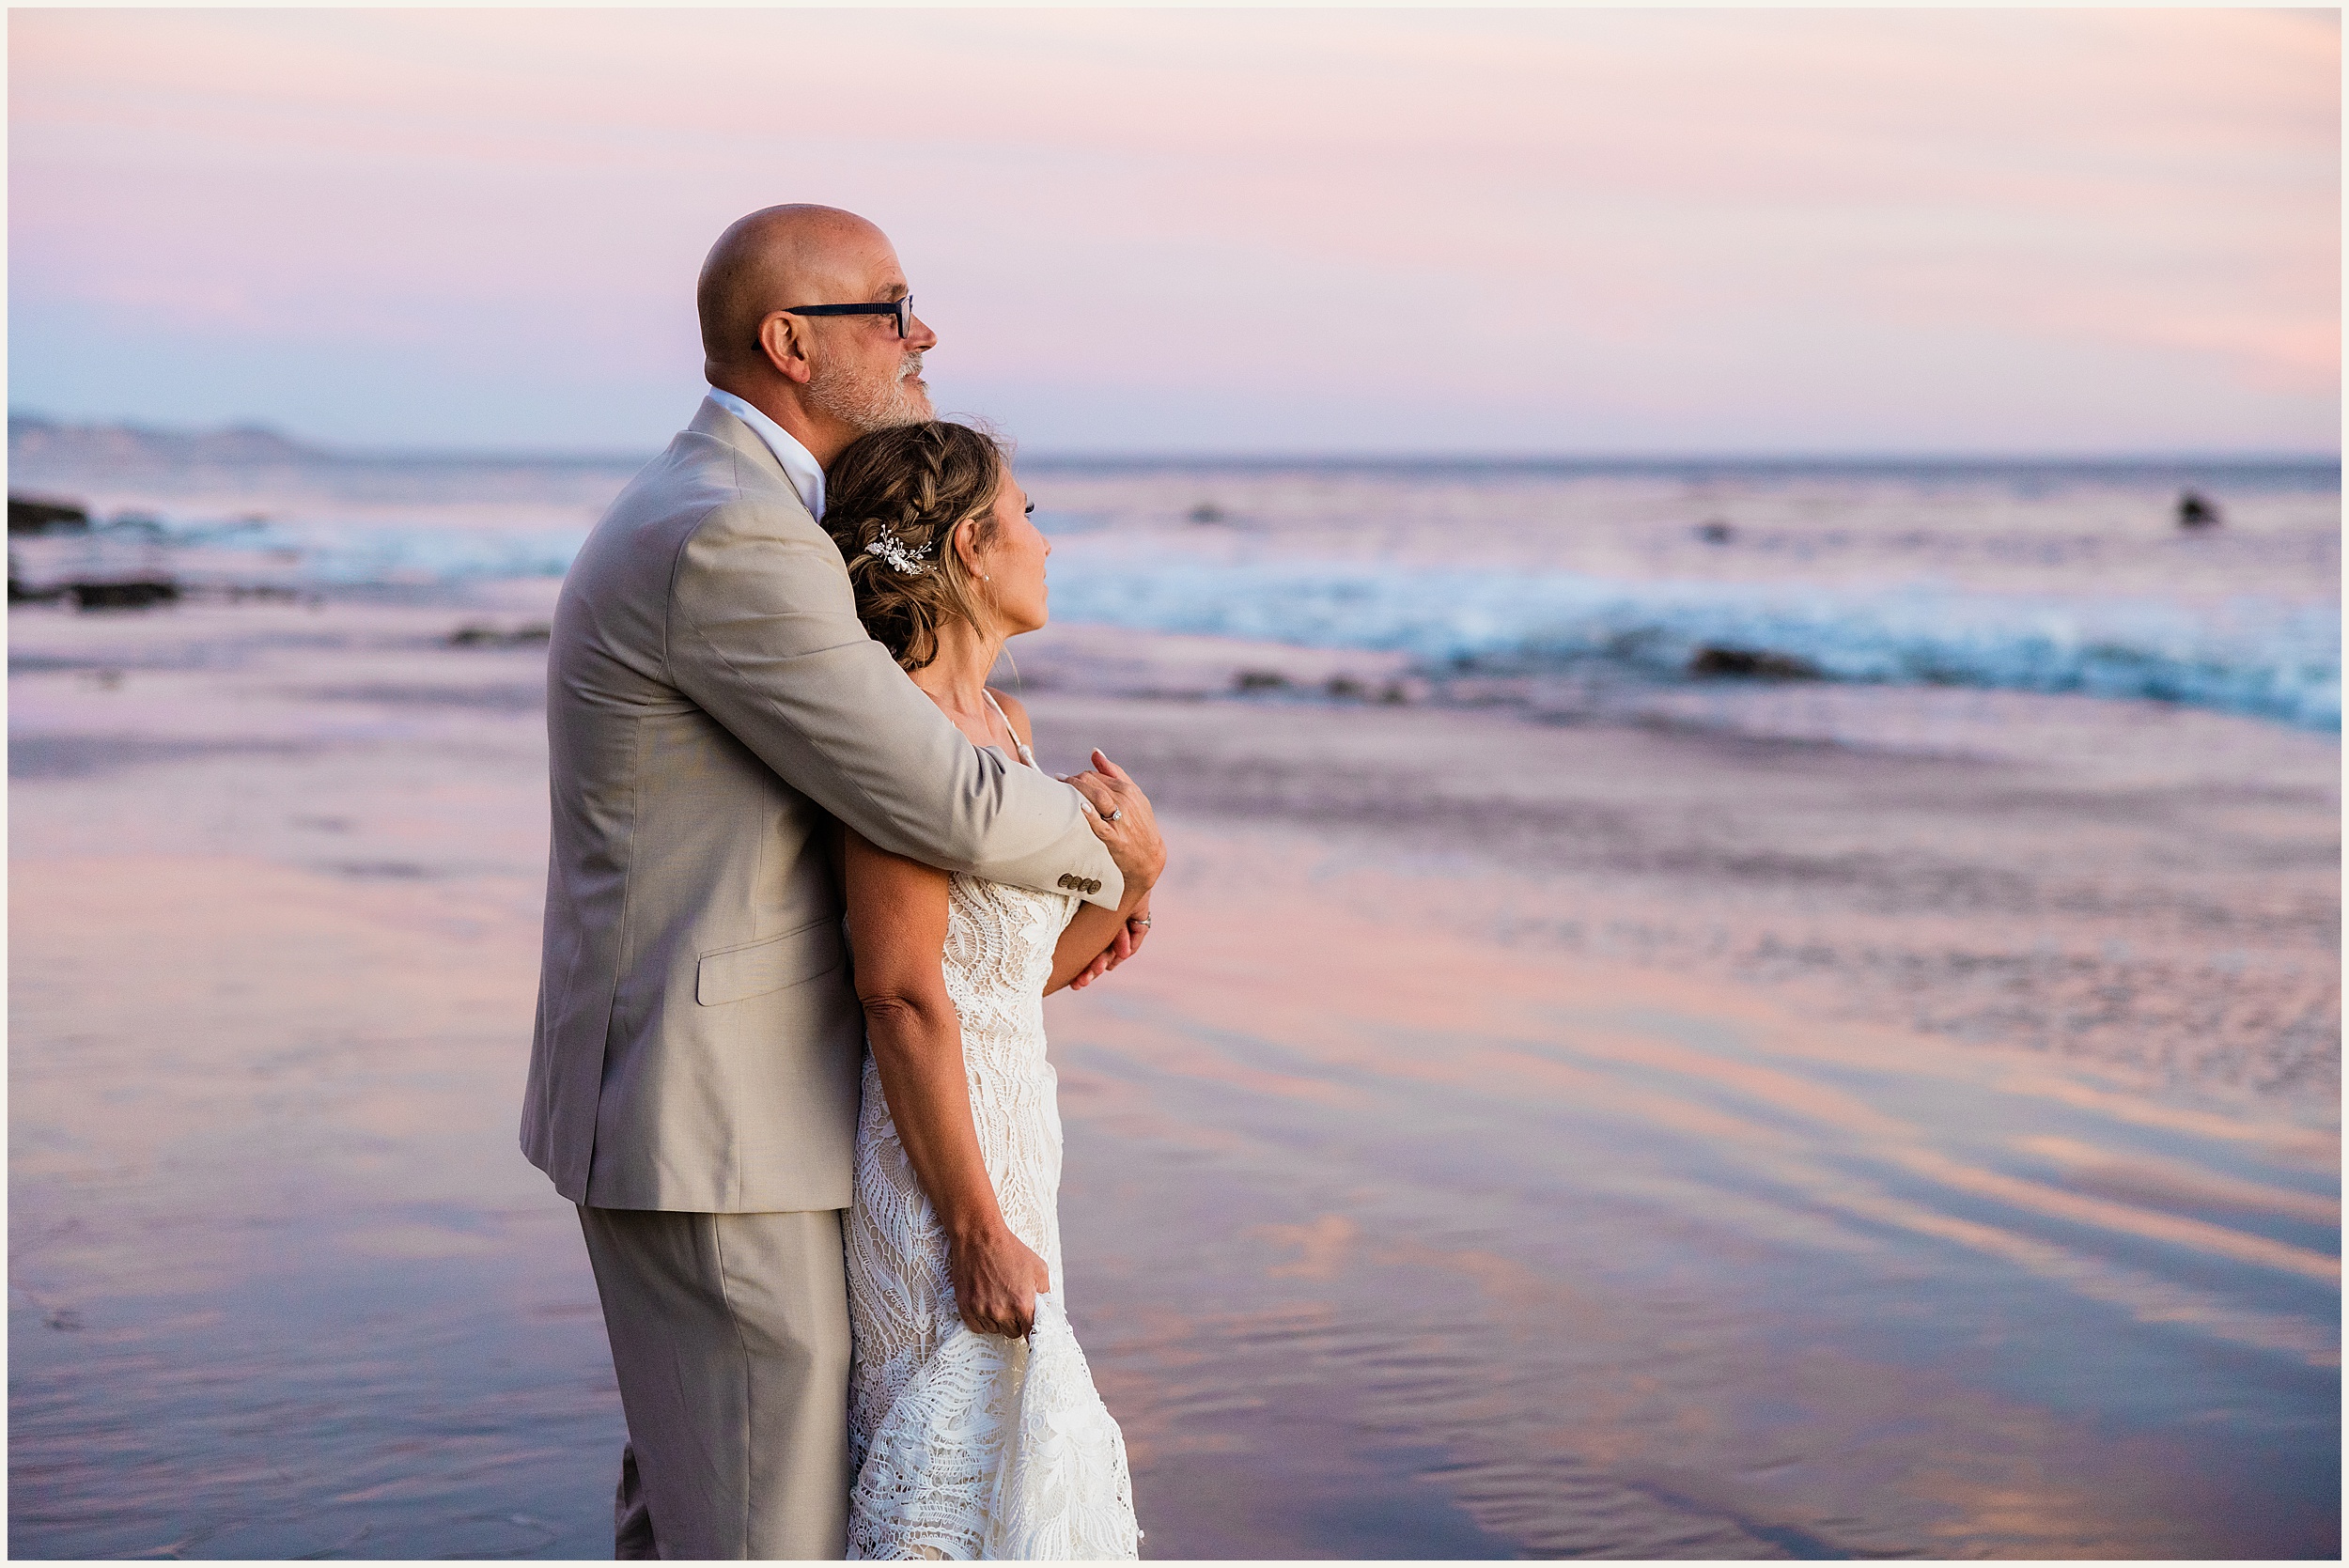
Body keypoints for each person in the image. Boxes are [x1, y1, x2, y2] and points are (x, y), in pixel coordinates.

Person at [520, 204, 1162, 1560]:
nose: (924, 332)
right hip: (717, 1120)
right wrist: (1123, 851)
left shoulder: (758, 518)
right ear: (790, 341)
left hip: (742, 1105)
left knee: (702, 1510)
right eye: (894, 306)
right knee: (762, 1532)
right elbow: (924, 788)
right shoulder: (731, 535)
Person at [821, 422, 1155, 1558]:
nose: (1047, 542)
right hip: (935, 1166)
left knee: (1017, 1477)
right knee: (949, 1468)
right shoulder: (897, 728)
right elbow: (903, 993)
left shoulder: (1007, 730)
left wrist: (1141, 876)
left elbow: (1018, 975)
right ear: (972, 544)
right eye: (1030, 515)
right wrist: (971, 1224)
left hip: (1020, 1129)